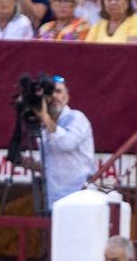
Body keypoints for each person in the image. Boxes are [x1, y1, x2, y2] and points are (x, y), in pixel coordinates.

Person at [35, 76, 96, 206]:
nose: (54, 96)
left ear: (66, 97)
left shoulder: (76, 117)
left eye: (58, 91)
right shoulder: (44, 126)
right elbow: (52, 164)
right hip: (54, 199)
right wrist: (28, 164)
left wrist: (44, 116)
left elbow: (66, 143)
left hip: (79, 198)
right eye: (50, 93)